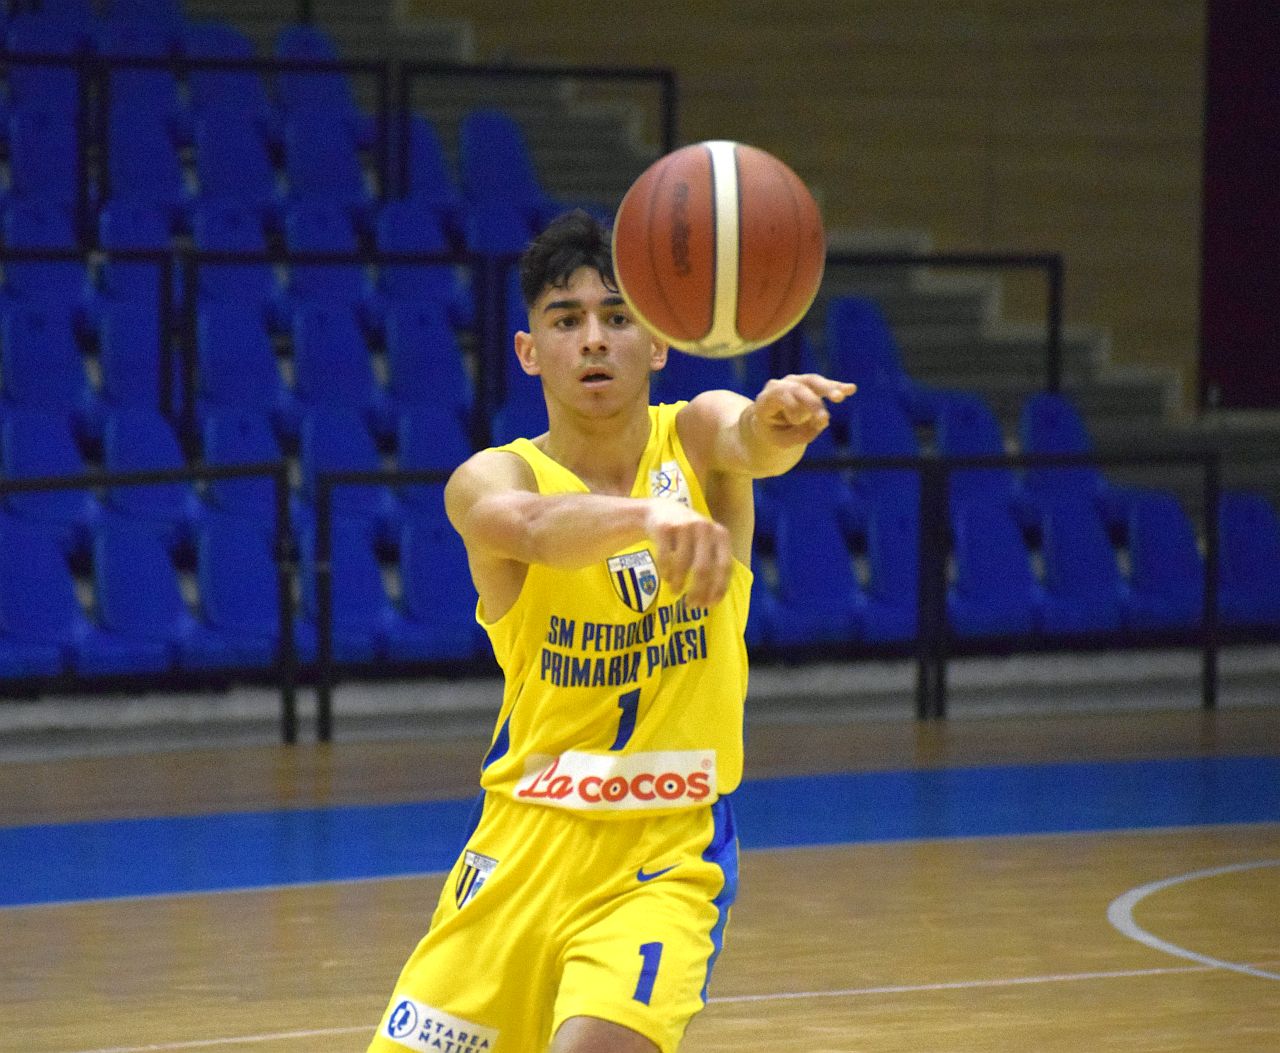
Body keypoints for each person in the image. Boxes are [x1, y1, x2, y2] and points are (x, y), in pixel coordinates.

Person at [367, 210, 854, 1053]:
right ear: (529, 352)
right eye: (566, 320)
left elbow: (747, 437)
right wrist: (646, 517)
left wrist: (777, 419)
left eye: (618, 316)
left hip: (665, 850)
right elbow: (526, 525)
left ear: (659, 342)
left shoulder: (694, 437)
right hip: (519, 845)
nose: (594, 338)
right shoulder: (494, 474)